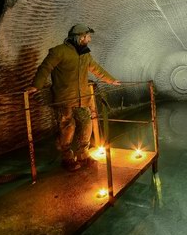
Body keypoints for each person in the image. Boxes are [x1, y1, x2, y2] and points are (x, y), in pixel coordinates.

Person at [26, 24, 121, 172]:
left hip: (83, 97)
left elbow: (96, 69)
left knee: (86, 124)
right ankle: (67, 158)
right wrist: (36, 85)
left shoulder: (85, 54)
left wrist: (111, 80)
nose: (89, 39)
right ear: (80, 37)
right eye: (88, 36)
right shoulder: (59, 52)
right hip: (64, 98)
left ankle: (83, 154)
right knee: (67, 128)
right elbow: (45, 68)